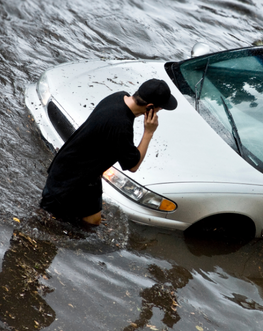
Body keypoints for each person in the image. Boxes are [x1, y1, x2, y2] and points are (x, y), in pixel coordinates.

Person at [40, 78, 177, 226]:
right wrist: (149, 132)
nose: (159, 111)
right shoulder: (121, 124)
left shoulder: (118, 97)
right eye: (159, 108)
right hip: (69, 181)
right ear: (150, 107)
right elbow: (133, 165)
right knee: (47, 222)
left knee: (92, 222)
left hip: (85, 174)